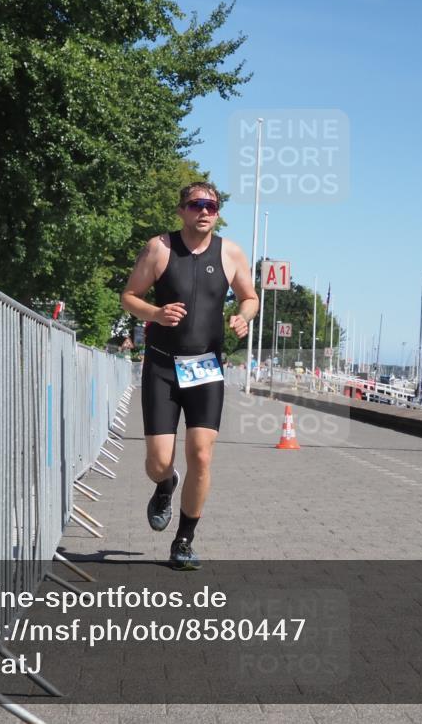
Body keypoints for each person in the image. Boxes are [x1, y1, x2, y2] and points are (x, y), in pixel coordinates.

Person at [120, 181, 258, 570]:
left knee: (200, 454)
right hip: (162, 366)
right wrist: (155, 314)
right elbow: (129, 296)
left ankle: (184, 540)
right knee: (158, 461)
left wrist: (242, 317)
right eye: (196, 204)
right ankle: (165, 485)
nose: (205, 211)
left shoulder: (229, 252)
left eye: (212, 206)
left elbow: (250, 297)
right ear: (181, 209)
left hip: (205, 367)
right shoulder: (159, 248)